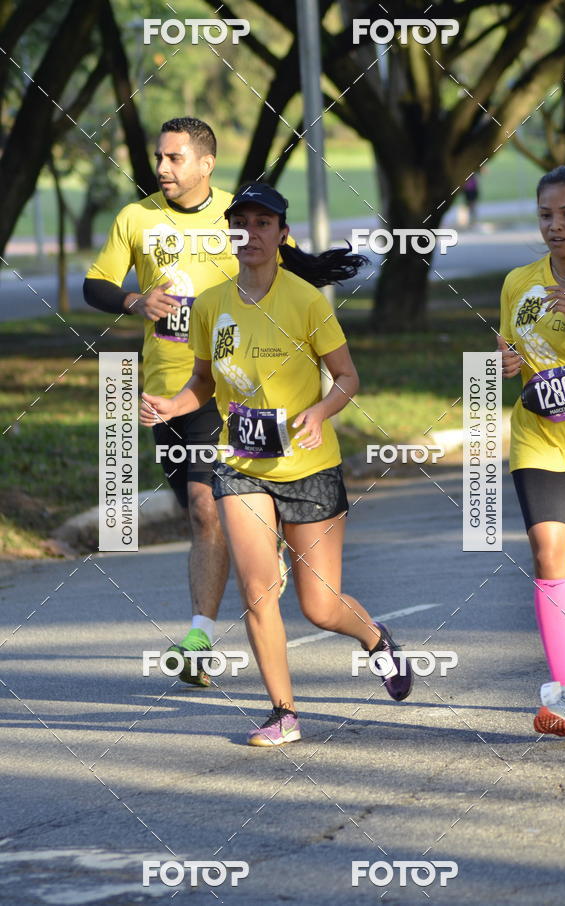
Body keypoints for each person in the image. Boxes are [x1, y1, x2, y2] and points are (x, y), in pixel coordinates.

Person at [140, 182, 414, 745]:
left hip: (309, 468)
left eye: (263, 223)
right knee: (258, 590)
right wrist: (171, 406)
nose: (251, 233)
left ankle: (376, 639)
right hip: (240, 465)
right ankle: (283, 712)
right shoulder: (210, 304)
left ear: (282, 233)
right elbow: (202, 382)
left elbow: (348, 377)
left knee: (320, 606)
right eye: (240, 224)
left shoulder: (306, 301)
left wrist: (321, 410)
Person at [84, 117, 286, 687]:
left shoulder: (241, 218)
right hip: (166, 391)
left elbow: (288, 274)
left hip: (235, 389)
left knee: (206, 506)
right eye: (159, 157)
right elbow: (94, 283)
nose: (162, 168)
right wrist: (134, 301)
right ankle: (263, 544)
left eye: (174, 158)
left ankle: (198, 638)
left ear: (205, 163)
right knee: (199, 513)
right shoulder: (136, 217)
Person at [498, 165, 565, 736]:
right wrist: (505, 363)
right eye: (545, 215)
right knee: (548, 552)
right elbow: (507, 351)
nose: (555, 226)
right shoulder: (519, 282)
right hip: (541, 433)